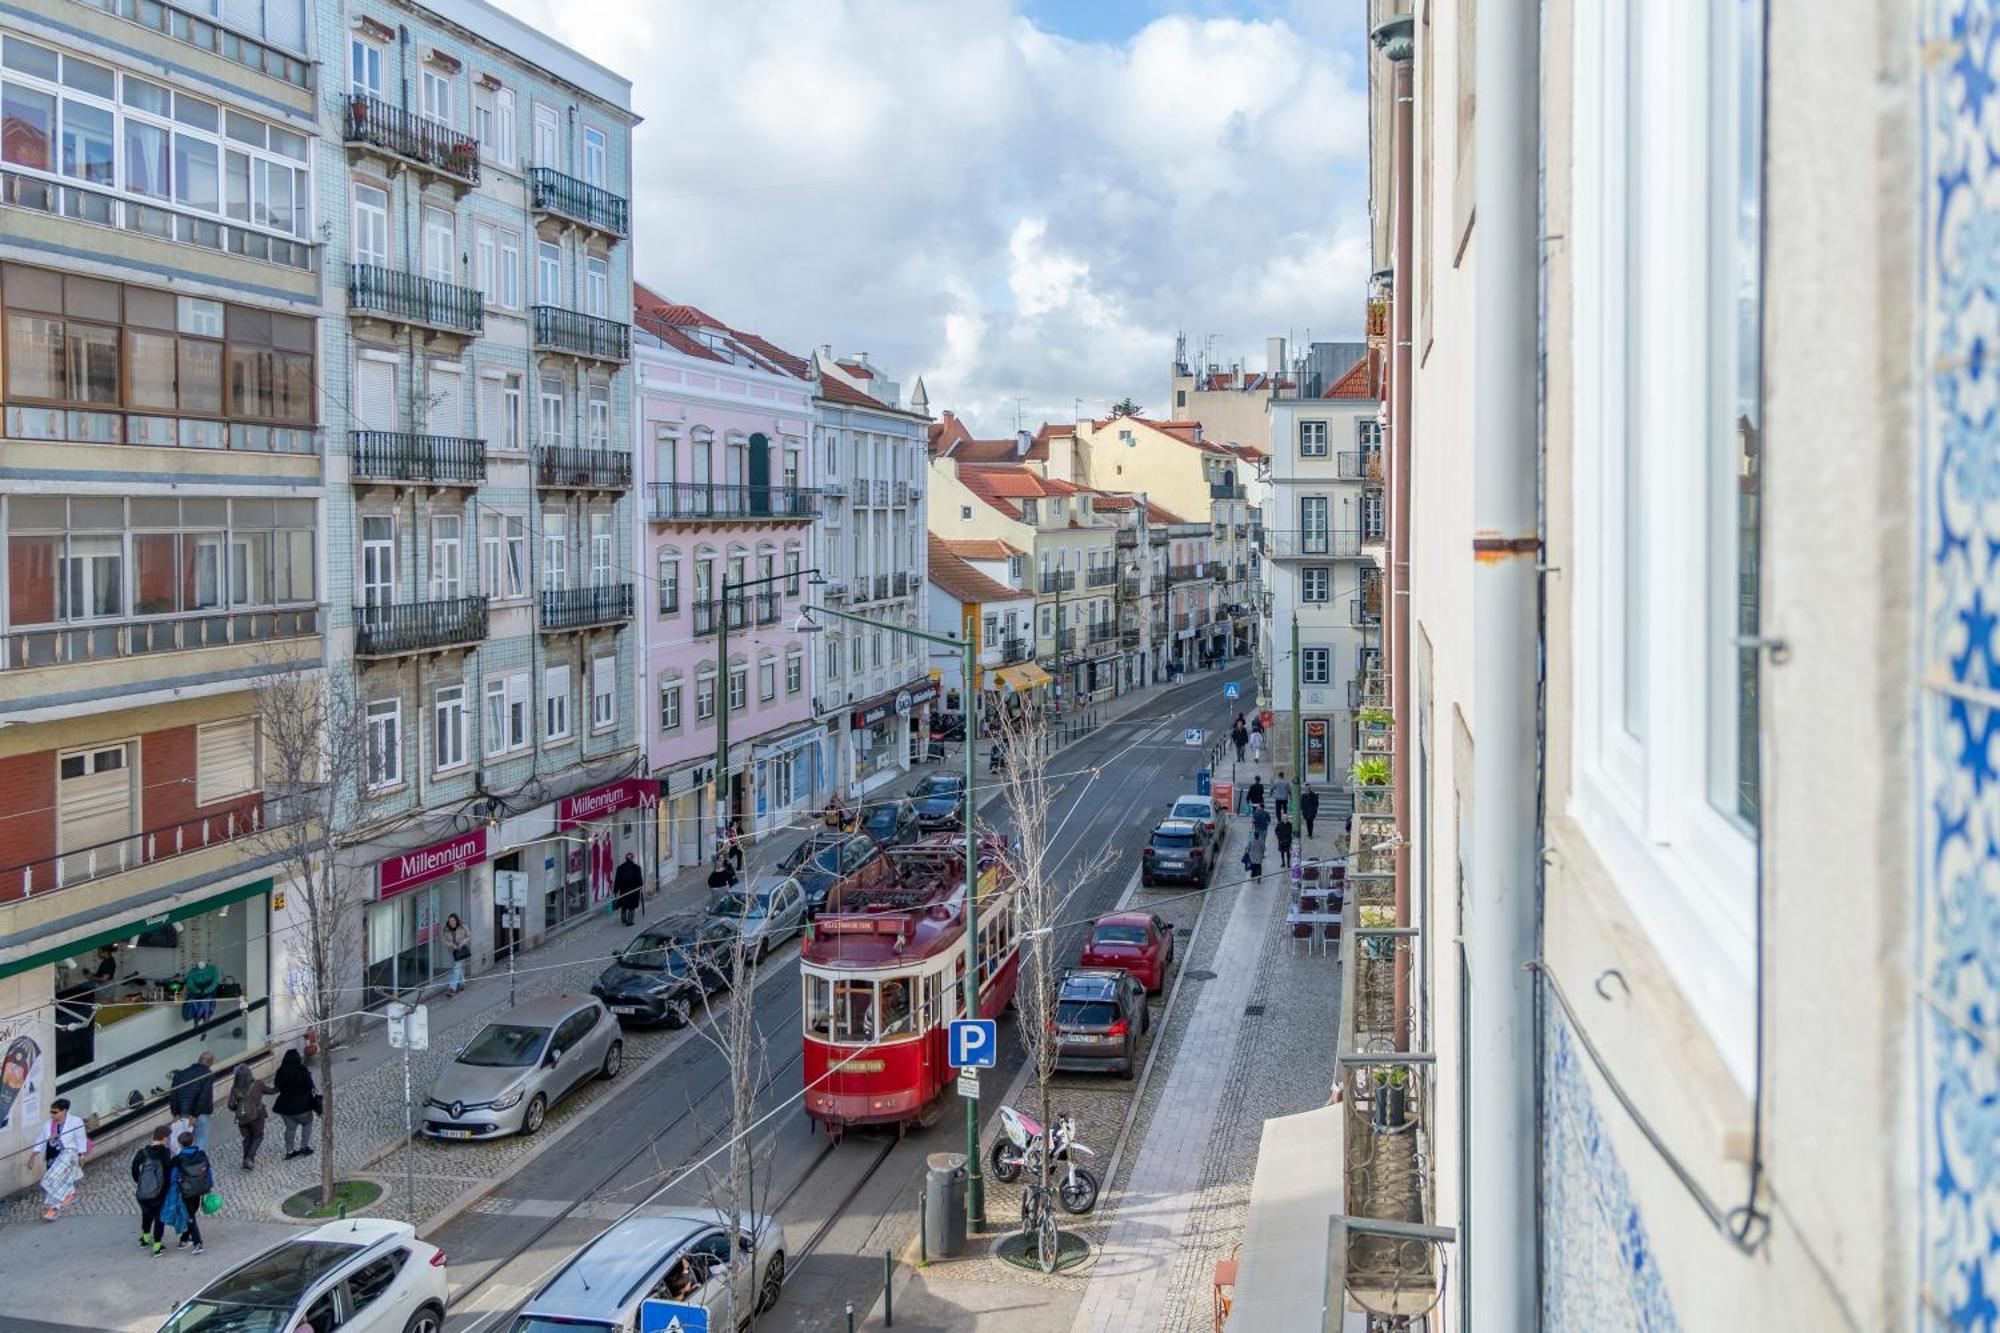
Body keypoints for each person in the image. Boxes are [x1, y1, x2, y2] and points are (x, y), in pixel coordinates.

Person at [35, 1098, 87, 1221]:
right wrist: (34, 1154)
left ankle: (70, 1195)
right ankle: (53, 1209)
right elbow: (41, 1139)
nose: (52, 1114)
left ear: (64, 1111)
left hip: (68, 1154)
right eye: (51, 1112)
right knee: (57, 1181)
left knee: (51, 1179)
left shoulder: (75, 1122)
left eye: (55, 1112)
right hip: (52, 1156)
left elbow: (80, 1138)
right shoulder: (48, 1124)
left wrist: (82, 1154)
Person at [167, 1131, 212, 1254]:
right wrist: (209, 1186)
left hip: (186, 1191)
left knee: (190, 1216)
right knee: (191, 1213)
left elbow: (173, 1178)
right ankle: (185, 1238)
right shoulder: (201, 1154)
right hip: (200, 1189)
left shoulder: (178, 1159)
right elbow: (208, 1171)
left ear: (180, 1144)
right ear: (192, 1141)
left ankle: (198, 1243)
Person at [132, 1124, 174, 1254]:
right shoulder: (165, 1153)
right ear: (165, 1138)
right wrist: (166, 1190)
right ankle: (157, 1246)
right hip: (159, 1193)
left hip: (143, 1193)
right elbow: (168, 1173)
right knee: (158, 1218)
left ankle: (145, 1238)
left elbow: (134, 1169)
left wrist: (140, 1182)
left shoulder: (142, 1153)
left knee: (146, 1214)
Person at [272, 1048, 317, 1160]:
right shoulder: (302, 1070)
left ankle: (290, 1152)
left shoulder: (280, 1071)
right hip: (302, 1107)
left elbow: (277, 1087)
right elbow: (311, 1087)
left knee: (290, 1129)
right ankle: (304, 1148)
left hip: (285, 1108)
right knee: (307, 1124)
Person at [167, 1051, 216, 1154]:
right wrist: (194, 1115)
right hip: (199, 1114)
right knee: (201, 1139)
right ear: (210, 1062)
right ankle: (196, 1163)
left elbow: (173, 1094)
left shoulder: (181, 1074)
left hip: (181, 1114)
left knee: (182, 1140)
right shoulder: (208, 1075)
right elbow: (203, 1097)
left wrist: (175, 1113)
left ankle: (183, 1161)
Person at [226, 1063, 268, 1171]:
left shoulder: (235, 1089)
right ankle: (249, 1158)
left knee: (247, 1138)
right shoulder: (258, 1084)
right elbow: (271, 1091)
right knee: (258, 1136)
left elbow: (230, 1105)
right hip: (256, 1116)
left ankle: (245, 1160)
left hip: (242, 1118)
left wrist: (240, 1108)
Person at [441, 913, 471, 994]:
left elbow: (468, 936)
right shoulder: (446, 929)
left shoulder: (463, 926)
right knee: (458, 968)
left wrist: (462, 943)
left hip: (462, 950)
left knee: (456, 969)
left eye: (453, 920)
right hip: (453, 951)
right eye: (450, 920)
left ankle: (452, 988)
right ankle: (462, 983)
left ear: (456, 920)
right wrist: (451, 945)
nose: (452, 922)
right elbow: (444, 941)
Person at [613, 854, 645, 927]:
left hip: (623, 891)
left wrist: (615, 890)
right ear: (633, 858)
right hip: (633, 891)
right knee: (631, 907)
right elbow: (639, 880)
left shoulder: (620, 868)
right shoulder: (636, 868)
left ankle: (623, 919)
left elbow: (617, 881)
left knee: (624, 905)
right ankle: (629, 921)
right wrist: (640, 887)